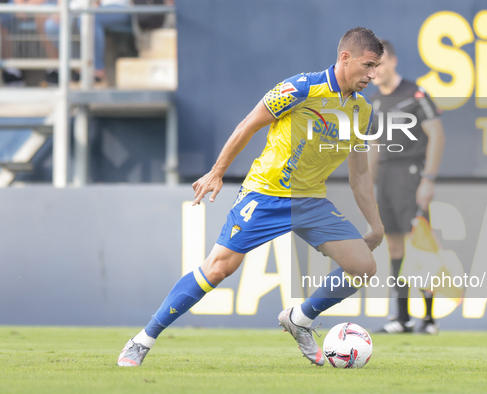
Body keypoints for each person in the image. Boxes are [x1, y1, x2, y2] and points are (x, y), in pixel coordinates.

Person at [117, 27, 385, 367]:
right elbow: (248, 124)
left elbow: (359, 173)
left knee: (363, 267)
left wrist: (375, 224)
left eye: (377, 67)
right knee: (218, 269)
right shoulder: (300, 87)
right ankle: (142, 340)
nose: (373, 75)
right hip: (266, 194)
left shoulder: (362, 111)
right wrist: (217, 172)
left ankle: (299, 319)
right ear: (345, 58)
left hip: (310, 201)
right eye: (369, 65)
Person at [369, 39, 445, 335]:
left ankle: (429, 319)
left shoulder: (415, 93)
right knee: (395, 247)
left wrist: (428, 179)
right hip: (386, 177)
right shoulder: (373, 101)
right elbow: (373, 146)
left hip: (412, 174)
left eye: (382, 63)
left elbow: (437, 135)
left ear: (394, 61)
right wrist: (368, 185)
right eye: (372, 65)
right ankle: (401, 318)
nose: (377, 70)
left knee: (420, 245)